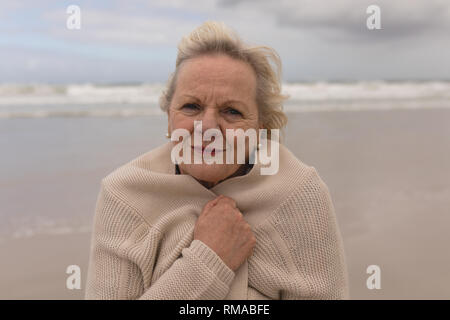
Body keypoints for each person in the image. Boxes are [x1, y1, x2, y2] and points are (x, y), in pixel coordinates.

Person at [85, 21, 349, 300]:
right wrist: (210, 259)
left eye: (232, 111)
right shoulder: (125, 195)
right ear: (169, 117)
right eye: (191, 106)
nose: (208, 127)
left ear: (261, 128)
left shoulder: (299, 193)